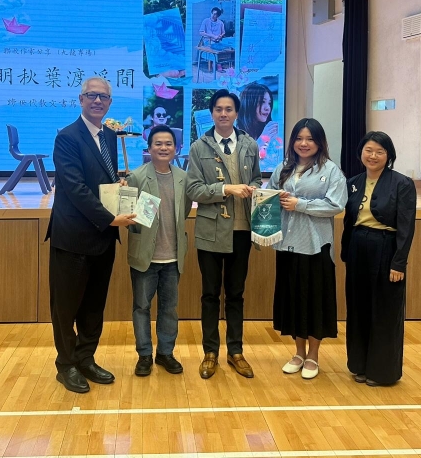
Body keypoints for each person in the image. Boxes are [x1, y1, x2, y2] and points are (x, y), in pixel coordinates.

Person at [45, 76, 137, 394]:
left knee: (94, 306)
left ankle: (86, 358)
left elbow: (103, 181)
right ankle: (66, 365)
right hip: (73, 238)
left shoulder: (109, 135)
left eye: (103, 97)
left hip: (102, 238)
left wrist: (118, 187)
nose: (98, 101)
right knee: (66, 307)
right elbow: (75, 189)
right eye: (91, 95)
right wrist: (111, 218)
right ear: (81, 99)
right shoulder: (67, 137)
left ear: (110, 103)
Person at [186, 89, 262, 379]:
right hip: (211, 231)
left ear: (236, 113)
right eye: (218, 109)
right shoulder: (198, 147)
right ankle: (210, 353)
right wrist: (225, 189)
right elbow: (194, 189)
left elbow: (257, 178)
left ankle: (236, 351)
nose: (223, 114)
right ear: (212, 113)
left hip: (242, 230)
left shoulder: (250, 144)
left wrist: (255, 189)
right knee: (210, 294)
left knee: (236, 294)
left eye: (229, 109)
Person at [264, 118, 347, 379]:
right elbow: (268, 195)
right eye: (299, 138)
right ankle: (298, 352)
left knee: (315, 301)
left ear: (320, 142)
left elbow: (336, 205)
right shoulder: (283, 168)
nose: (304, 143)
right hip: (287, 245)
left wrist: (300, 204)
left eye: (310, 139)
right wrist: (271, 198)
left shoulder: (331, 170)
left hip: (315, 246)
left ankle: (313, 355)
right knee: (293, 300)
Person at [341, 131, 417, 387]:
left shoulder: (402, 183)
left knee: (384, 311)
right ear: (361, 153)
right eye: (368, 150)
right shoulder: (353, 182)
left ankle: (382, 371)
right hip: (357, 248)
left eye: (379, 152)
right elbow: (349, 221)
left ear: (389, 155)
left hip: (386, 248)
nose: (373, 156)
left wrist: (399, 262)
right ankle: (359, 365)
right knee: (358, 308)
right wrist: (346, 252)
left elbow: (406, 226)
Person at [125, 125, 192, 377]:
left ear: (176, 148)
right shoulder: (136, 176)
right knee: (141, 307)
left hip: (173, 256)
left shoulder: (183, 177)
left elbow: (184, 211)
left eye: (168, 144)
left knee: (169, 309)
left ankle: (165, 353)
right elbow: (129, 216)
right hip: (145, 256)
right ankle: (144, 355)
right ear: (149, 148)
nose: (163, 148)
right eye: (158, 144)